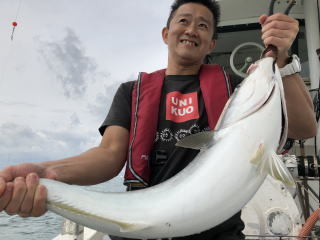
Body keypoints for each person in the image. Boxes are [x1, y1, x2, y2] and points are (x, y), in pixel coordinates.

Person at [0, 0, 317, 239]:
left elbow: (304, 129)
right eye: (184, 21)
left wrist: (284, 59)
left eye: (204, 26)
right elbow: (109, 155)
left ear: (212, 44)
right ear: (167, 34)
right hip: (139, 228)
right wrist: (46, 172)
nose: (192, 29)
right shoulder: (132, 92)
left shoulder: (235, 94)